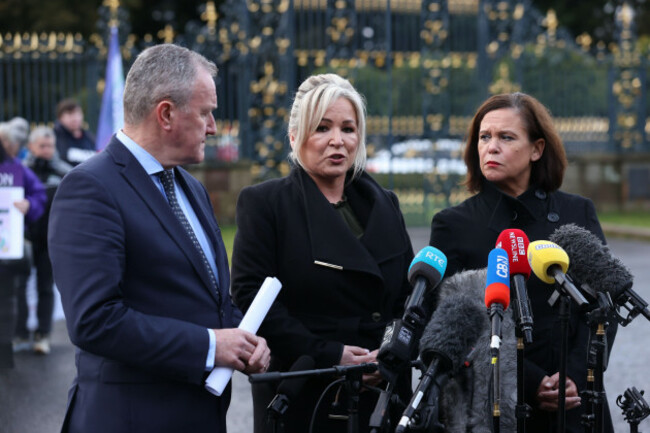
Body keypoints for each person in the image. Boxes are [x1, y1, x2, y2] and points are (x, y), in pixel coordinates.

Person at [48, 43, 270, 433]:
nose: (214, 127)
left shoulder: (190, 186)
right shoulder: (89, 188)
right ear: (166, 113)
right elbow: (94, 320)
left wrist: (244, 339)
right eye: (205, 112)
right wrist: (210, 346)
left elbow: (204, 297)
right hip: (130, 418)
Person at [231, 73, 414, 433]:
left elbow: (410, 296)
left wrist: (391, 353)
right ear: (295, 136)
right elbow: (251, 298)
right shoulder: (265, 203)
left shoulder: (385, 203)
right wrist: (331, 354)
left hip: (383, 389)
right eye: (322, 128)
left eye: (348, 128)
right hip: (305, 389)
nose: (337, 141)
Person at [428, 92, 617, 433]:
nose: (491, 146)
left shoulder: (577, 213)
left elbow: (603, 306)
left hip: (575, 401)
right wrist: (531, 382)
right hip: (494, 403)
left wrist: (574, 374)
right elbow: (455, 323)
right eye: (484, 137)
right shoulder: (453, 224)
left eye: (506, 137)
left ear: (536, 149)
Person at [14, 126, 72, 354]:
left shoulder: (66, 172)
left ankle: (43, 335)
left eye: (50, 146)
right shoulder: (20, 171)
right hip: (25, 239)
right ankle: (19, 334)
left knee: (45, 287)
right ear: (30, 147)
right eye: (42, 146)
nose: (47, 150)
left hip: (52, 240)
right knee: (20, 287)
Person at [0, 135, 46, 368]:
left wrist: (29, 204)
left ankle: (5, 350)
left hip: (6, 250)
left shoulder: (13, 169)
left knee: (7, 300)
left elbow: (39, 195)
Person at [53, 98, 96, 166]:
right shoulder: (54, 138)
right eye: (70, 114)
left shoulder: (90, 138)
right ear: (60, 118)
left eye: (77, 113)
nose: (75, 118)